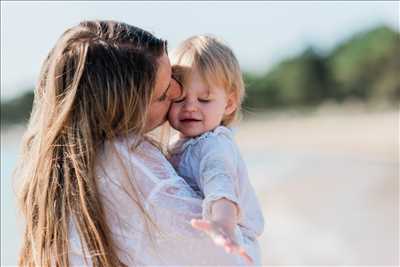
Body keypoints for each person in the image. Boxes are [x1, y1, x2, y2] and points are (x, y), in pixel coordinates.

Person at [15, 20, 255, 266]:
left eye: (173, 77)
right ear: (127, 113)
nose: (177, 94)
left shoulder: (60, 168)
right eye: (164, 94)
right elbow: (233, 261)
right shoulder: (132, 171)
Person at [168, 35, 264, 265]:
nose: (190, 106)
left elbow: (220, 182)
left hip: (234, 240)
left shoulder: (214, 144)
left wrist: (222, 223)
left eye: (204, 99)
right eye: (179, 98)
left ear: (229, 104)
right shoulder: (176, 142)